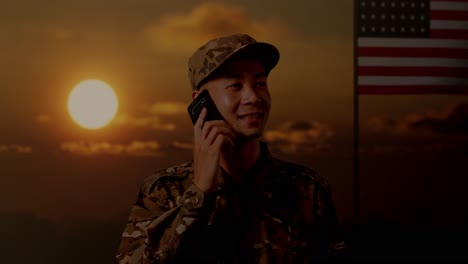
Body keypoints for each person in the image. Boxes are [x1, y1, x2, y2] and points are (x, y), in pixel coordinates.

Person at [116, 34, 346, 263]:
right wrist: (199, 194)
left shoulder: (308, 191)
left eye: (260, 83)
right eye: (235, 85)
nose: (253, 97)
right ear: (201, 102)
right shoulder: (163, 193)